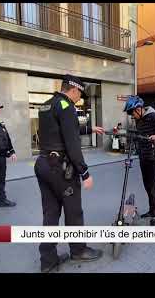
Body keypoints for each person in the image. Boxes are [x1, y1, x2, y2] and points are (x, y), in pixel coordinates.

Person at [35, 74, 105, 273]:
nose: (79, 98)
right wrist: (85, 172)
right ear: (73, 90)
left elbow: (59, 130)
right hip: (60, 169)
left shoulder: (47, 105)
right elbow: (72, 144)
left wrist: (89, 128)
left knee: (50, 213)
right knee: (74, 212)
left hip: (43, 164)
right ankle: (78, 250)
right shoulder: (67, 107)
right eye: (79, 94)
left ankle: (48, 262)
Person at [123, 96, 155, 226]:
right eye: (130, 113)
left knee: (153, 187)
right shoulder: (138, 120)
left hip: (154, 157)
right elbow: (139, 134)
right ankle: (151, 210)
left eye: (132, 112)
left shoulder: (154, 116)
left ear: (139, 109)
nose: (132, 116)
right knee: (147, 185)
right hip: (143, 156)